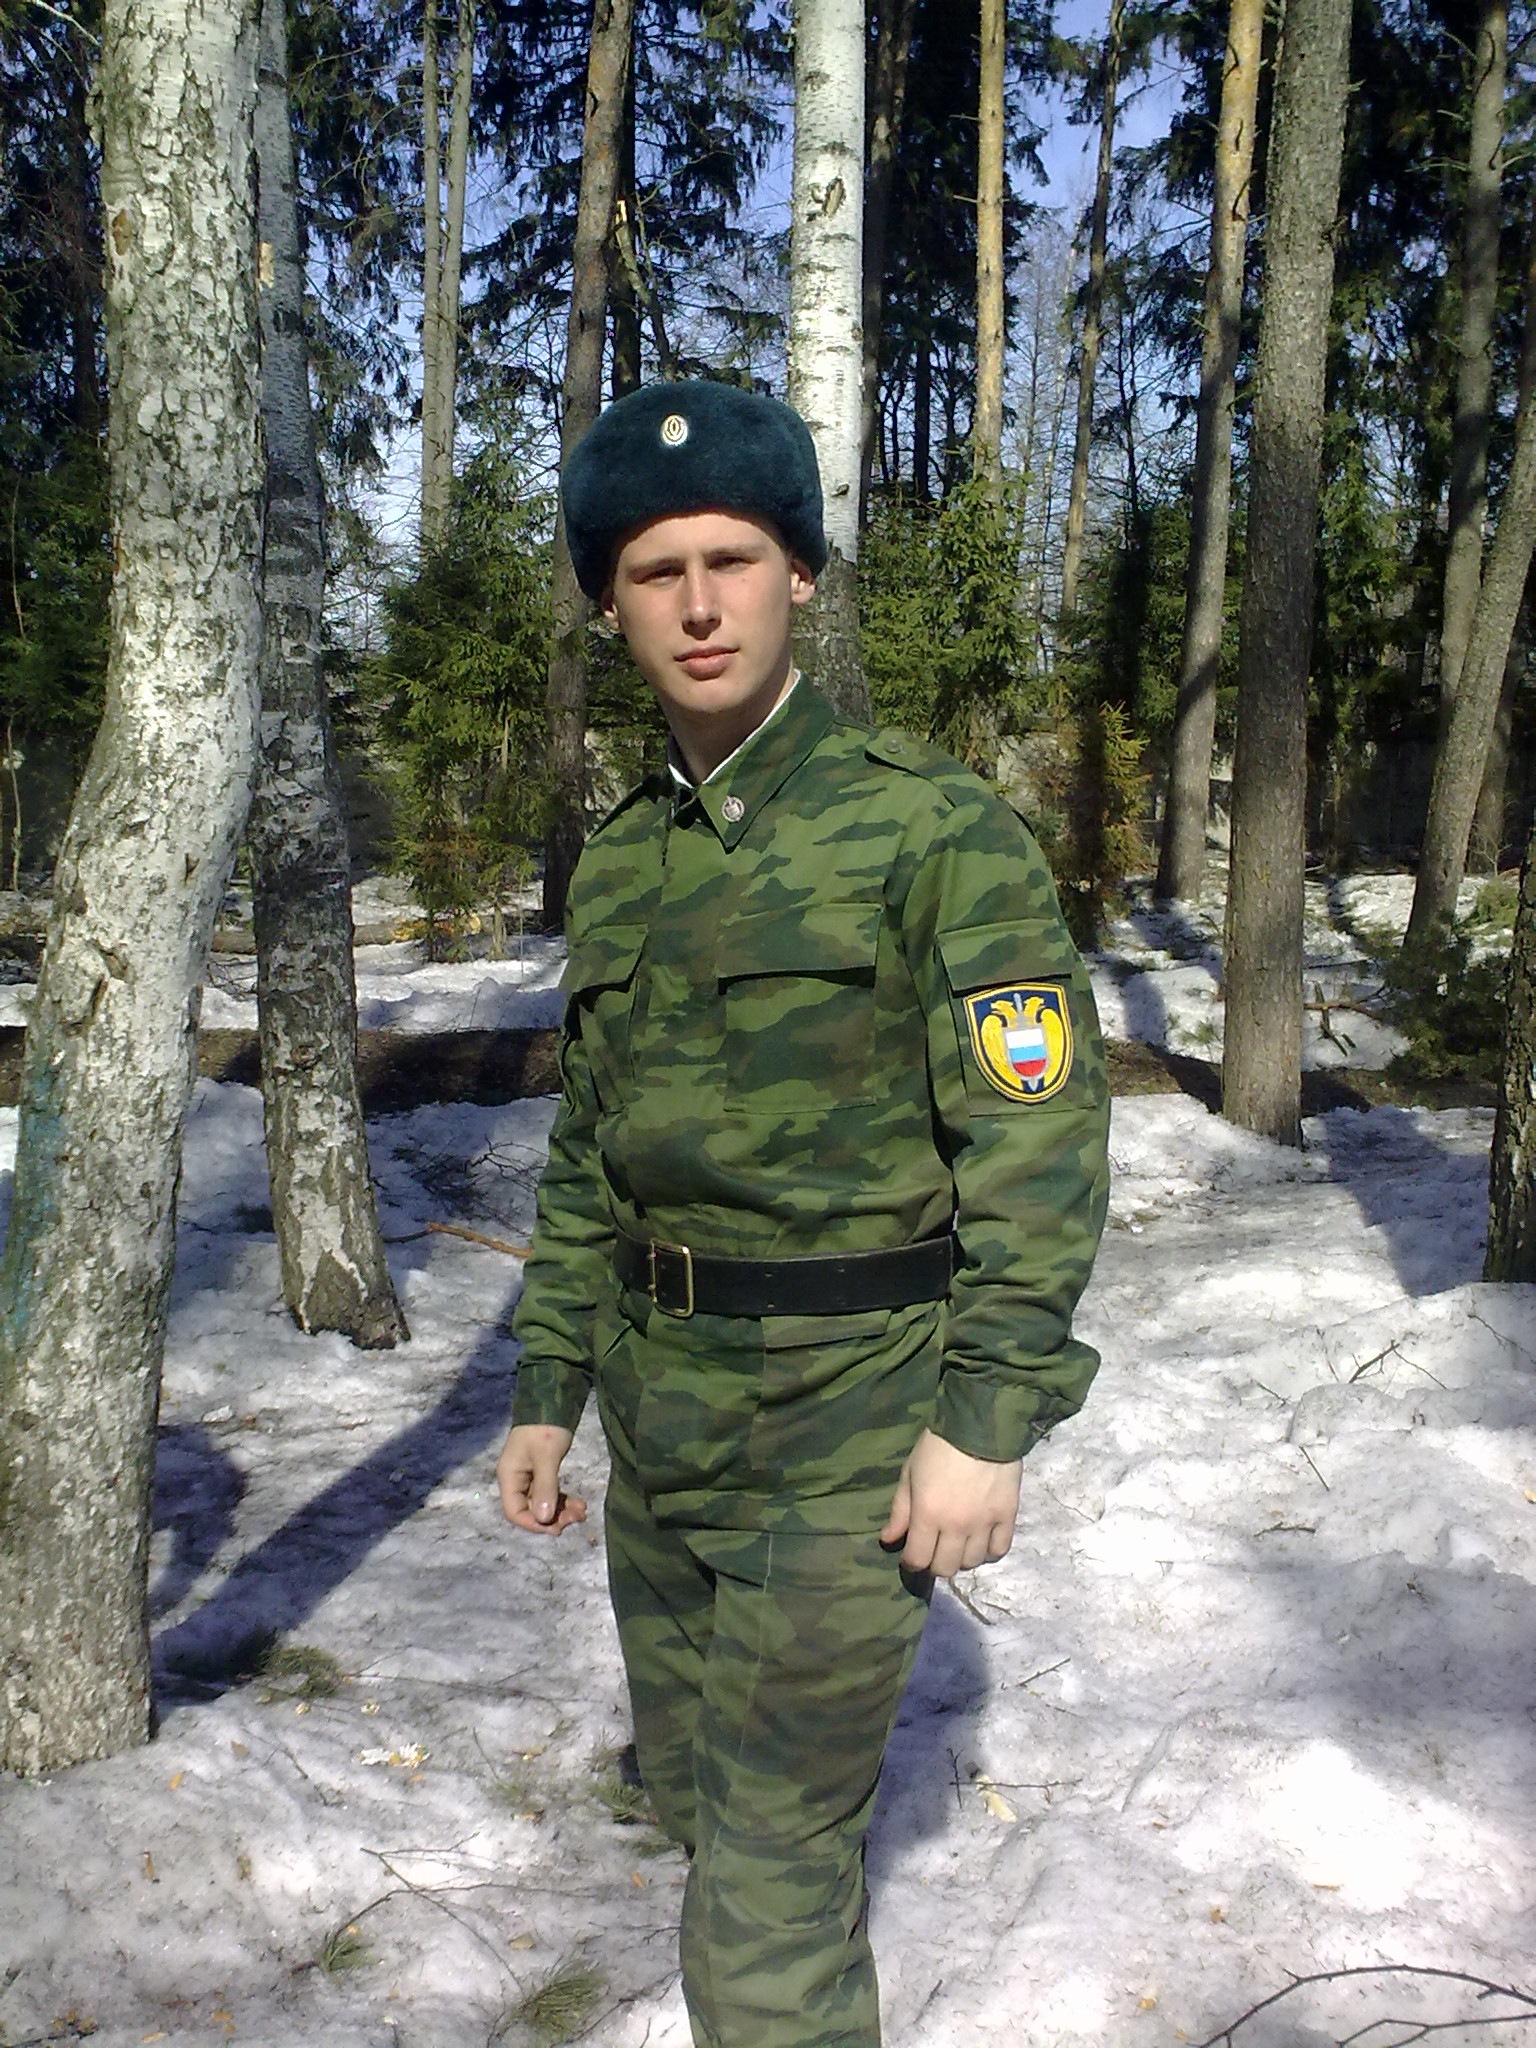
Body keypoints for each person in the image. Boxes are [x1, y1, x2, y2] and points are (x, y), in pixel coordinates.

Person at [497, 379, 1109, 2048]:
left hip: (848, 1436)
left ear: (802, 577)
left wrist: (986, 1422)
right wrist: (549, 1386)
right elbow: (592, 1152)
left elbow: (1038, 1146)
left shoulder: (934, 831)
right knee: (704, 1811)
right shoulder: (624, 859)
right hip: (662, 1435)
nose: (699, 605)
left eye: (735, 560)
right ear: (611, 604)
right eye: (655, 571)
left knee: (766, 1908)